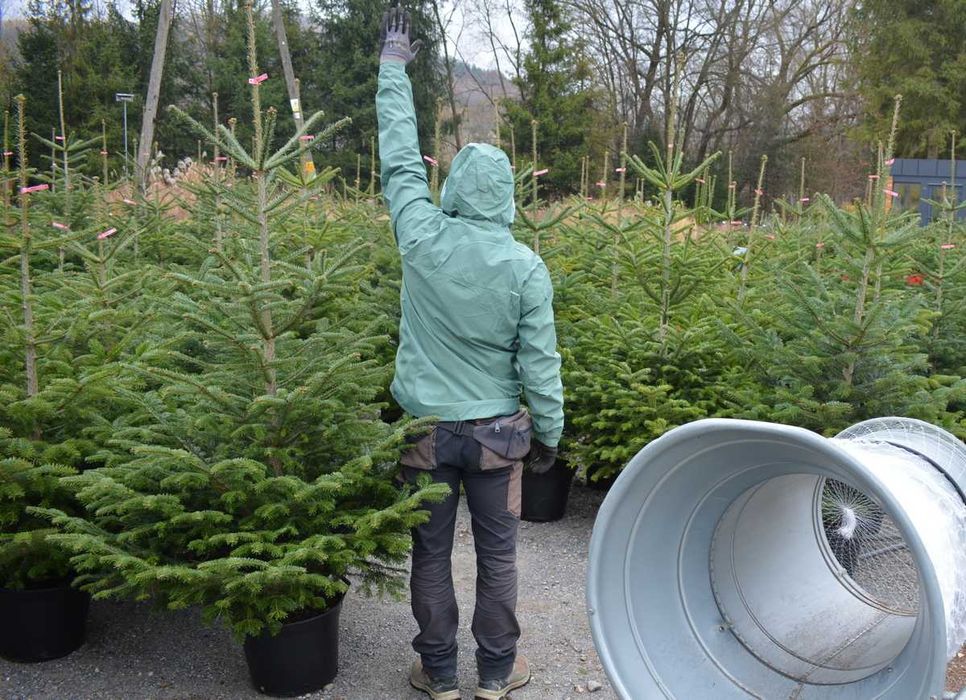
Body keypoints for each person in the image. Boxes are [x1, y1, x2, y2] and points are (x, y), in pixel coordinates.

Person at [375, 5, 564, 699]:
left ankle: (440, 672)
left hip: (425, 432)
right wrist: (548, 434)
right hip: (495, 438)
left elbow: (398, 157)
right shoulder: (524, 268)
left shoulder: (420, 235)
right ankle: (495, 674)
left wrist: (393, 70)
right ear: (507, 196)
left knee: (428, 553)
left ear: (451, 189)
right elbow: (539, 366)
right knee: (499, 555)